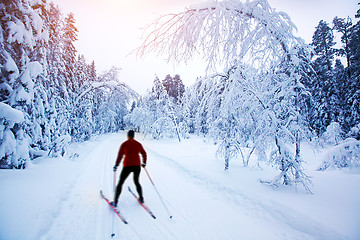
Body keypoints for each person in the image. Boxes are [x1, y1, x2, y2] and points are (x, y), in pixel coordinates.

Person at [112, 130, 147, 207]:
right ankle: (141, 198)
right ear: (133, 136)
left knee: (120, 182)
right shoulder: (138, 144)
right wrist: (144, 163)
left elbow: (120, 155)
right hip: (137, 166)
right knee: (137, 182)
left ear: (128, 136)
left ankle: (115, 202)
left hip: (127, 166)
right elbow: (144, 153)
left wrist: (116, 165)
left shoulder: (124, 144)